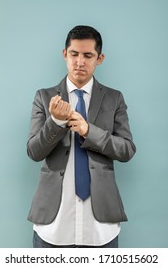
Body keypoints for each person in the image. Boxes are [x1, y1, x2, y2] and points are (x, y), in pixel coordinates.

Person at [27, 25, 136, 248]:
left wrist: (89, 132)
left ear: (100, 58)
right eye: (74, 54)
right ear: (64, 54)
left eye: (88, 55)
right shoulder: (44, 97)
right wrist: (56, 122)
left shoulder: (114, 99)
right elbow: (34, 151)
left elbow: (126, 150)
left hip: (100, 226)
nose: (80, 62)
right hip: (53, 225)